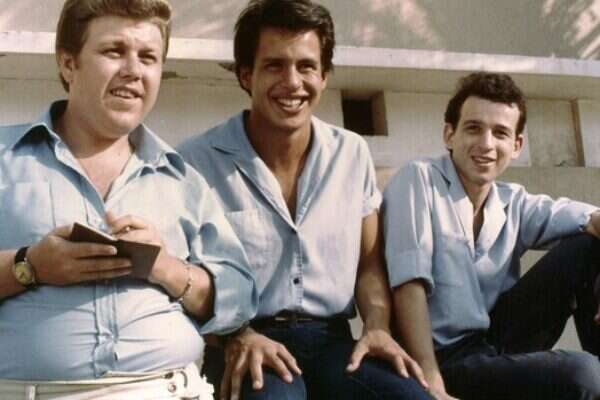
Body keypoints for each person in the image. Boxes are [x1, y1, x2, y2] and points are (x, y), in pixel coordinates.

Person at [0, 0, 257, 398]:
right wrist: (29, 266)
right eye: (114, 51)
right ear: (68, 63)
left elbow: (239, 298)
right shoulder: (5, 158)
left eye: (148, 57)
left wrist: (167, 269)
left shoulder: (182, 178)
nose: (133, 70)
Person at [178, 1, 432, 399]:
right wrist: (233, 335)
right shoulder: (195, 162)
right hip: (243, 344)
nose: (293, 82)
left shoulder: (352, 153)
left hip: (333, 345)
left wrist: (377, 325)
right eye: (274, 66)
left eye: (306, 66)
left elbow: (368, 264)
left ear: (324, 76)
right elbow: (181, 278)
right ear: (246, 75)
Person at [383, 71, 600, 400]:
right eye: (474, 128)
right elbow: (408, 287)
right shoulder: (419, 180)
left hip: (496, 341)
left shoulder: (512, 201)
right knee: (583, 374)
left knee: (587, 246)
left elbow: (593, 220)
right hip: (443, 358)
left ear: (516, 145)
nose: (486, 144)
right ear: (449, 134)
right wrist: (430, 379)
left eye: (500, 133)